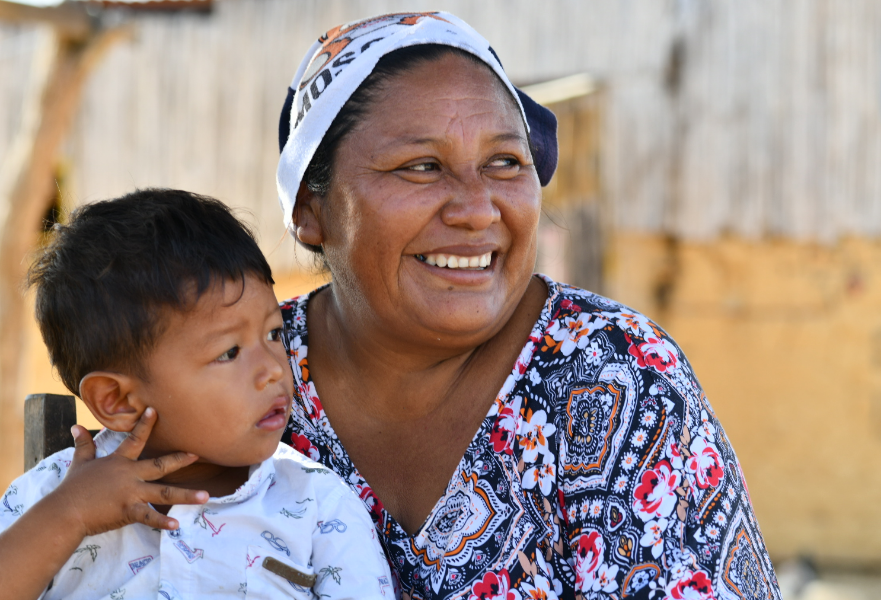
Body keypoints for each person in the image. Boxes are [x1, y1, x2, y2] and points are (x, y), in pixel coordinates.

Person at [275, 12, 782, 600]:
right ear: (312, 209)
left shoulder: (616, 378)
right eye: (420, 167)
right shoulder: (233, 373)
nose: (478, 209)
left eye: (505, 162)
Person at [0, 190, 392, 600]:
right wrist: (72, 513)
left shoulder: (317, 506)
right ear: (118, 401)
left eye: (274, 334)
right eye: (229, 353)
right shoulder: (48, 495)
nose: (275, 369)